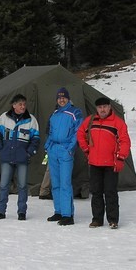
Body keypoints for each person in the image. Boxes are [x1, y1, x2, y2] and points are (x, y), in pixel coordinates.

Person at [77, 97, 131, 229]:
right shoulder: (90, 121)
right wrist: (86, 150)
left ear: (109, 107)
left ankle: (113, 220)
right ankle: (97, 219)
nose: (102, 109)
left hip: (110, 164)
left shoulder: (118, 123)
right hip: (95, 163)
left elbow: (125, 142)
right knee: (96, 192)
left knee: (110, 192)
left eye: (105, 107)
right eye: (100, 107)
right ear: (97, 109)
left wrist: (120, 158)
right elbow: (80, 134)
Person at [0, 94, 40, 221]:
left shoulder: (31, 120)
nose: (23, 106)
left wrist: (28, 153)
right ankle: (1, 211)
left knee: (23, 185)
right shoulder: (4, 117)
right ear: (14, 105)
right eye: (20, 104)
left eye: (24, 104)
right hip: (6, 157)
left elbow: (36, 139)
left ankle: (22, 212)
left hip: (22, 159)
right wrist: (0, 150)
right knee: (4, 185)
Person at [44, 87, 83, 225]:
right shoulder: (54, 114)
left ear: (68, 98)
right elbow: (50, 132)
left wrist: (70, 148)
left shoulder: (74, 112)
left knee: (65, 182)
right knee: (55, 183)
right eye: (59, 98)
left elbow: (78, 132)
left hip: (65, 150)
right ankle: (58, 211)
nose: (61, 99)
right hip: (53, 150)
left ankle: (68, 214)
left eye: (64, 97)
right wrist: (47, 147)